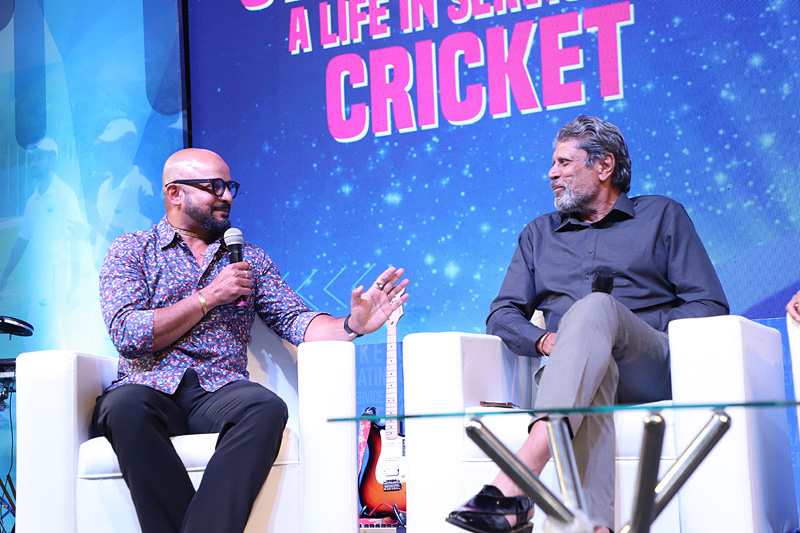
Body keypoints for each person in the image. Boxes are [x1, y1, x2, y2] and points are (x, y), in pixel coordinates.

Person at [92, 147, 410, 533]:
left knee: (265, 406)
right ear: (175, 193)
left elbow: (296, 320)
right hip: (148, 387)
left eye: (230, 187)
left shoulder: (249, 259)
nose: (226, 196)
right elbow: (128, 333)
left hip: (217, 392)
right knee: (122, 406)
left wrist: (352, 325)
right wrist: (208, 297)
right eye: (214, 186)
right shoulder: (131, 250)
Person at [447, 116, 728, 533]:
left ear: (604, 166)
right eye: (553, 164)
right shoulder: (538, 235)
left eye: (563, 163)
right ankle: (593, 527)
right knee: (596, 366)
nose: (551, 173)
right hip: (575, 372)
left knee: (596, 308)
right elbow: (502, 314)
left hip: (648, 365)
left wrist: (618, 324)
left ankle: (518, 479)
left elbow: (709, 305)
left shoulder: (661, 215)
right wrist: (546, 341)